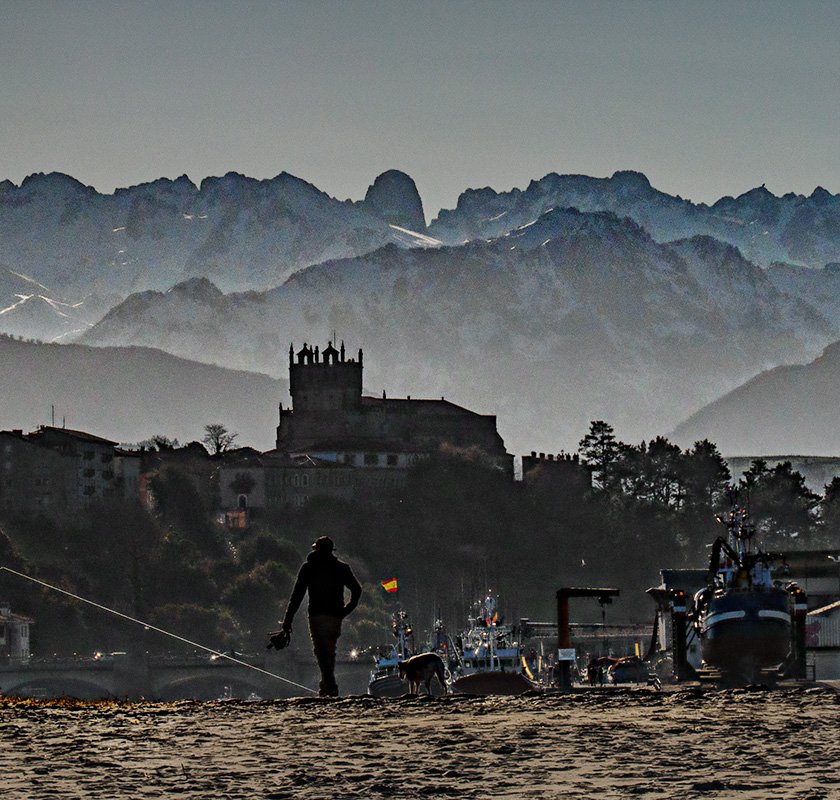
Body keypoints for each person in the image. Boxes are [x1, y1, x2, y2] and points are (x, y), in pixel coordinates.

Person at [281, 536, 362, 697]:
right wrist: (346, 611)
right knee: (329, 652)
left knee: (321, 652)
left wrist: (288, 620)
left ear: (316, 550)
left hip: (316, 616)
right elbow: (357, 590)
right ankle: (325, 687)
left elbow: (296, 596)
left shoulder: (308, 568)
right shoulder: (341, 567)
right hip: (335, 616)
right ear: (332, 551)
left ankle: (330, 686)